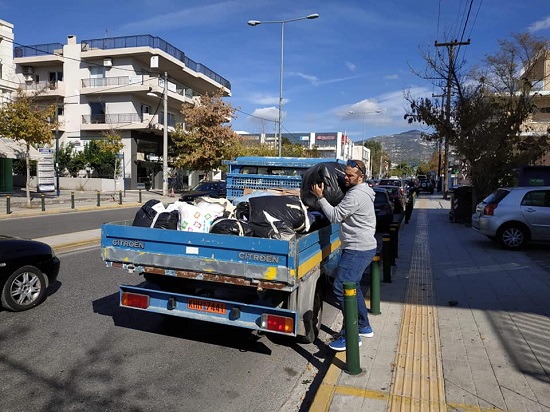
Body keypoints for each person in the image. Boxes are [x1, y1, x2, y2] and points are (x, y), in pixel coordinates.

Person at [311, 159, 377, 351]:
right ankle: (364, 326)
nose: (345, 178)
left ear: (361, 177)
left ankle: (351, 336)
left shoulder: (355, 196)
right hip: (362, 247)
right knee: (353, 286)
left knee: (341, 287)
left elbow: (334, 216)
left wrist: (320, 197)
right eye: (345, 174)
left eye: (350, 176)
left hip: (357, 249)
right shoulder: (363, 191)